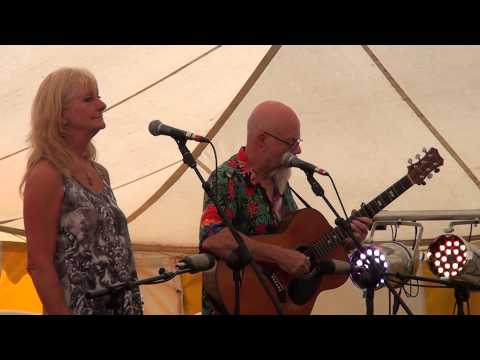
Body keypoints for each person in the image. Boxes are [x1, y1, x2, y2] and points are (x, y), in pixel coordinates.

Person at [199, 100, 372, 314]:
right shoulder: (226, 178)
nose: (298, 150)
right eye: (291, 143)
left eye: (298, 142)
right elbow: (214, 239)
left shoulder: (281, 183)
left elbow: (298, 248)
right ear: (262, 140)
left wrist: (344, 243)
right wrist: (280, 256)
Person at [21, 67, 143, 315]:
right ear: (60, 114)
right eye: (89, 99)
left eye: (98, 97)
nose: (102, 104)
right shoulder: (47, 175)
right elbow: (38, 263)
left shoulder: (100, 172)